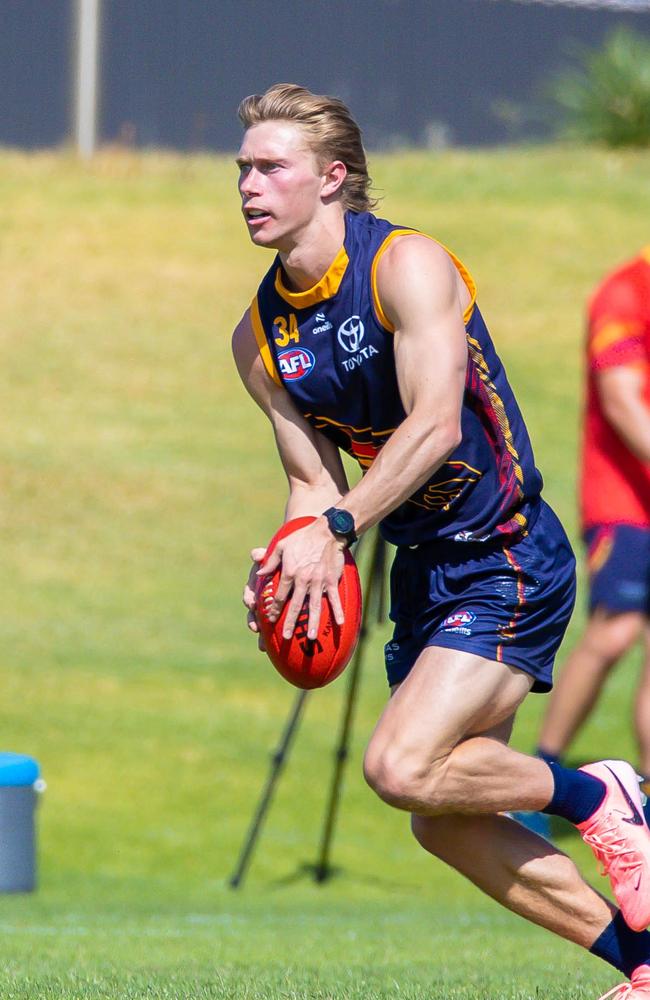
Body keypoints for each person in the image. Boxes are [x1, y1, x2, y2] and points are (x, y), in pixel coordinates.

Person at [231, 83, 650, 998]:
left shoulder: (406, 268)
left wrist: (338, 529)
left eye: (271, 168)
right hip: (426, 575)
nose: (249, 186)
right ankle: (644, 967)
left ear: (333, 177)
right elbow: (313, 484)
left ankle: (599, 793)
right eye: (244, 169)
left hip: (503, 552)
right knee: (444, 815)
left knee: (398, 766)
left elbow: (436, 429)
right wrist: (288, 559)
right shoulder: (262, 338)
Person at [531, 250, 650, 801]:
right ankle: (543, 774)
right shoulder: (625, 292)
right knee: (616, 630)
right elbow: (623, 404)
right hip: (625, 501)